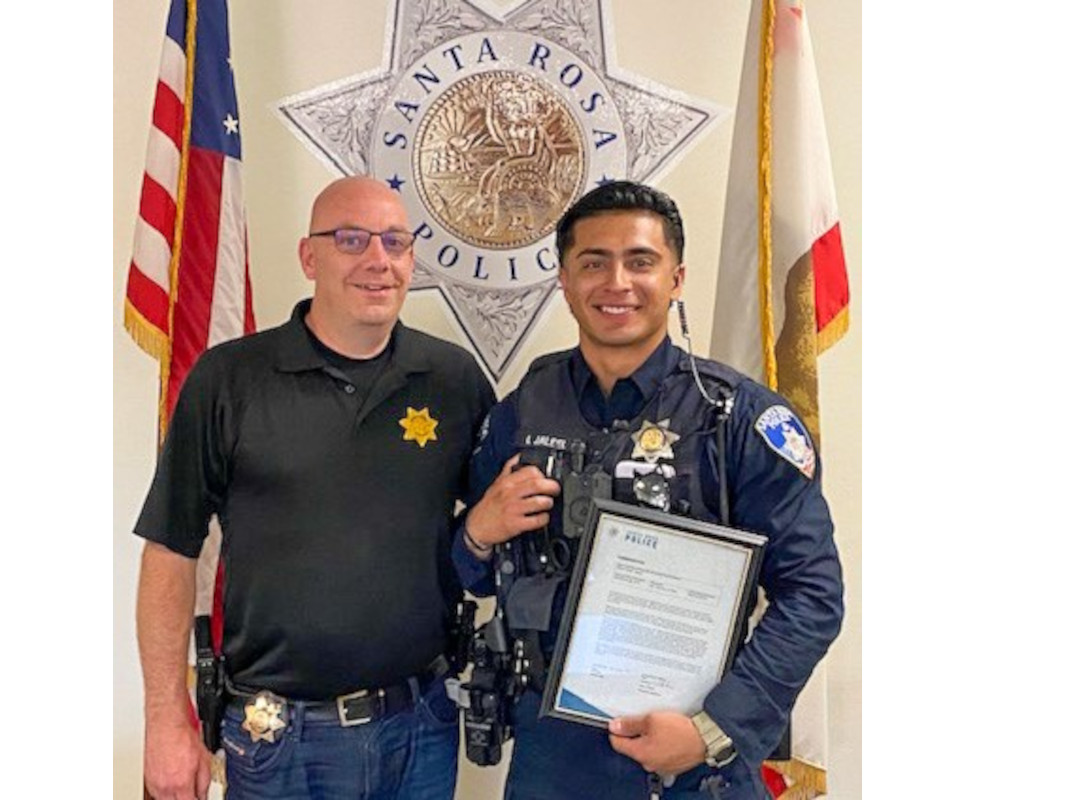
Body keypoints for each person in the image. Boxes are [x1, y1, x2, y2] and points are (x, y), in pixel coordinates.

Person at [454, 181, 844, 799]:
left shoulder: (738, 421)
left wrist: (715, 729)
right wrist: (476, 536)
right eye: (593, 262)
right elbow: (474, 577)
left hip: (693, 764)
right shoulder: (520, 413)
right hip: (552, 764)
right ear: (564, 279)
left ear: (677, 279)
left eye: (640, 261)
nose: (617, 282)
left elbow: (814, 595)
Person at [135, 176, 496, 800]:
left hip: (421, 725)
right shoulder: (230, 379)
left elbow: (488, 531)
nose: (377, 261)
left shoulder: (453, 379)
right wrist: (166, 720)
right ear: (309, 257)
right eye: (351, 239)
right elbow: (170, 552)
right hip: (279, 739)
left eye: (395, 242)